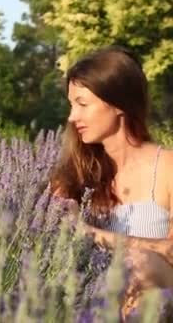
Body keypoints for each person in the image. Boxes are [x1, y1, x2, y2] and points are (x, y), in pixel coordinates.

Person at [49, 46, 173, 320]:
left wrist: (87, 232)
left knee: (139, 265)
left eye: (82, 104)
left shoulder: (167, 168)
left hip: (159, 304)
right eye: (71, 105)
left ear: (118, 103)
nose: (72, 117)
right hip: (89, 304)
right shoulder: (72, 175)